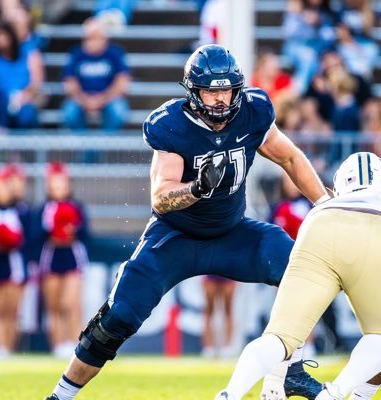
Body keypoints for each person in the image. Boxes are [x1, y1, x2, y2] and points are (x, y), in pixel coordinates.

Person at [44, 44, 330, 400]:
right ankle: (61, 395)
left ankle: (291, 370)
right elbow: (161, 198)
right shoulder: (173, 126)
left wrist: (325, 204)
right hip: (175, 238)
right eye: (211, 91)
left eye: (225, 89)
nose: (220, 99)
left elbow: (289, 157)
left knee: (302, 270)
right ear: (193, 93)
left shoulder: (253, 111)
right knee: (116, 319)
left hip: (232, 232)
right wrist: (197, 187)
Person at [214, 151, 381, 400]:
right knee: (378, 335)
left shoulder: (328, 201)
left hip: (321, 220)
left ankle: (230, 393)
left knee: (278, 337)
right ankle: (333, 395)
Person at [35, 162, 89, 358]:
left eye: (62, 183)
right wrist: (52, 232)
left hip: (72, 256)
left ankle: (76, 346)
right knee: (54, 305)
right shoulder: (43, 208)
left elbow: (85, 233)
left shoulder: (77, 206)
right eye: (54, 183)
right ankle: (57, 346)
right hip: (51, 257)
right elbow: (36, 235)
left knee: (71, 304)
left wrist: (71, 231)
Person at [0, 167, 27, 356]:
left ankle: (7, 348)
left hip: (12, 264)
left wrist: (8, 242)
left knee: (9, 311)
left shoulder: (20, 210)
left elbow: (27, 240)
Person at [61, 17, 131, 132]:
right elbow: (70, 83)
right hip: (81, 100)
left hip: (109, 99)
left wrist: (101, 100)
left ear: (104, 38)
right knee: (70, 112)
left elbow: (122, 82)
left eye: (93, 37)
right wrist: (85, 100)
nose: (88, 41)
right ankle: (85, 148)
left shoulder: (114, 53)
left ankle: (105, 147)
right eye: (86, 37)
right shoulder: (77, 54)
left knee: (118, 110)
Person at [201, 275, 236, 358]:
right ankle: (208, 348)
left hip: (228, 272)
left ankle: (227, 347)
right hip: (211, 273)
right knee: (209, 311)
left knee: (228, 311)